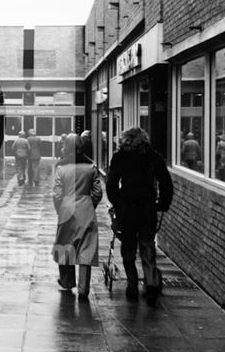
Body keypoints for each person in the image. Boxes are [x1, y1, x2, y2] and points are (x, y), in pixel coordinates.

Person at [105, 127, 173, 305]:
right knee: (147, 247)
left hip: (127, 208)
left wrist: (117, 203)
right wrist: (162, 204)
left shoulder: (120, 157)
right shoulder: (152, 157)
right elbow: (166, 182)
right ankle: (150, 285)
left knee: (128, 248)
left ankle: (132, 285)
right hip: (147, 208)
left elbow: (111, 183)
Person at [52, 133, 104, 300]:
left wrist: (59, 209)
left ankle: (67, 282)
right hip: (86, 209)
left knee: (66, 245)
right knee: (86, 249)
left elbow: (57, 194)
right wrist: (89, 205)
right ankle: (83, 288)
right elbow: (97, 192)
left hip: (66, 209)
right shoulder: (91, 167)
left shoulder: (61, 168)